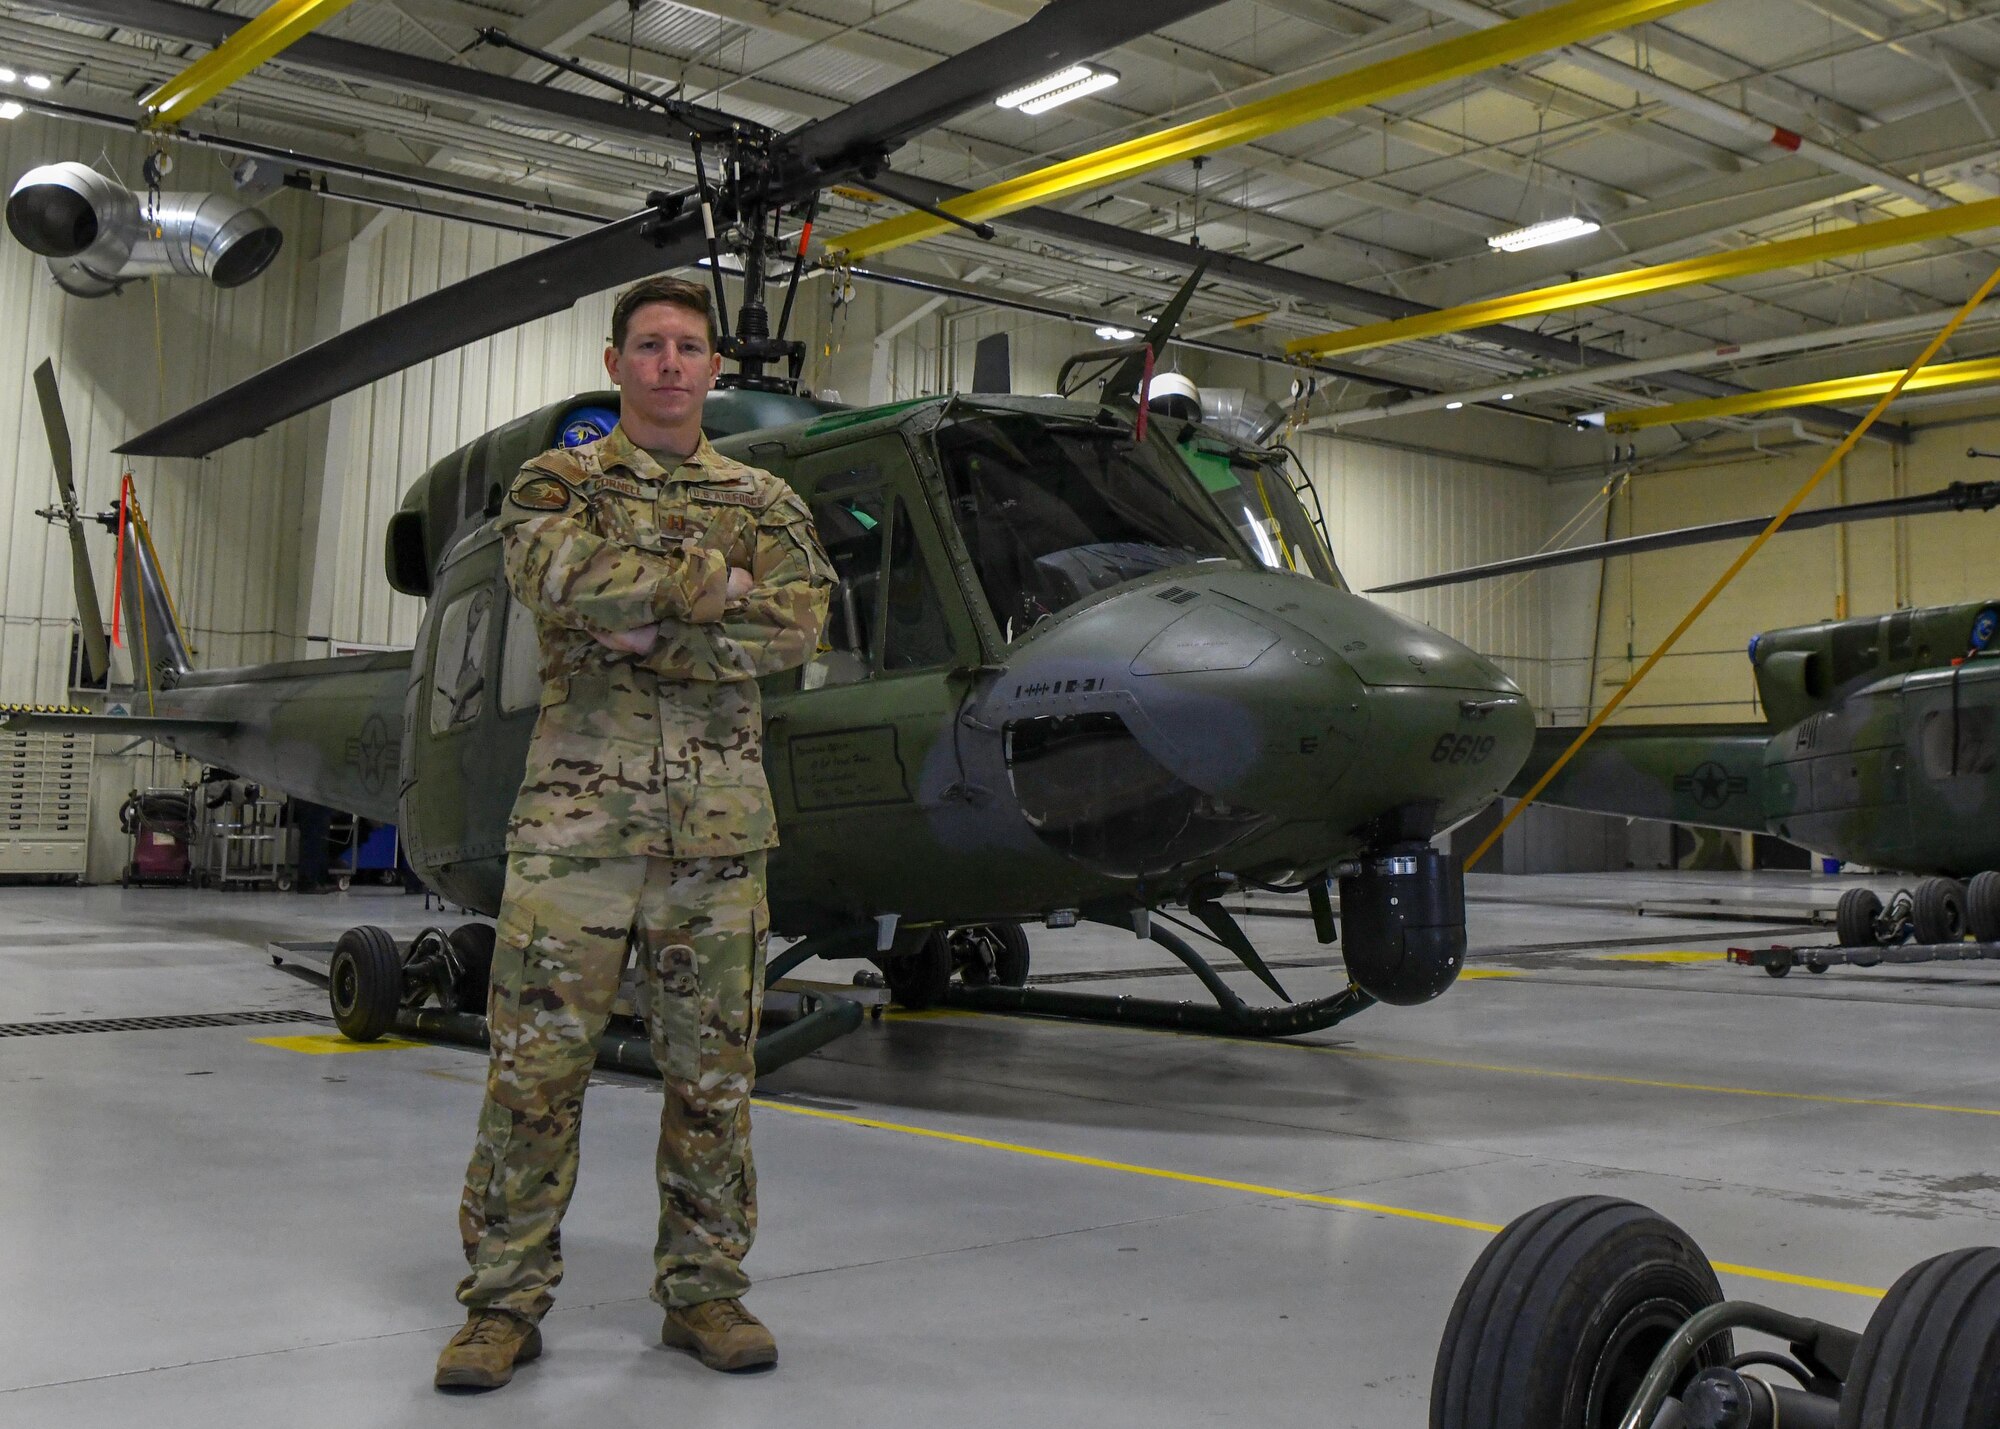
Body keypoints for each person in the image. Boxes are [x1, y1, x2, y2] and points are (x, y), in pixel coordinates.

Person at [435, 275, 833, 1391]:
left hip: (716, 837)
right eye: (648, 345)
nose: (669, 363)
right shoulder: (559, 480)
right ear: (613, 363)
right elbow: (551, 573)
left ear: (714, 368)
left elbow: (798, 624)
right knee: (533, 1073)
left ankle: (705, 1295)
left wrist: (647, 623)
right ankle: (501, 1304)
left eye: (688, 346)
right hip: (577, 832)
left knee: (712, 1079)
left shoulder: (765, 495)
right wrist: (718, 585)